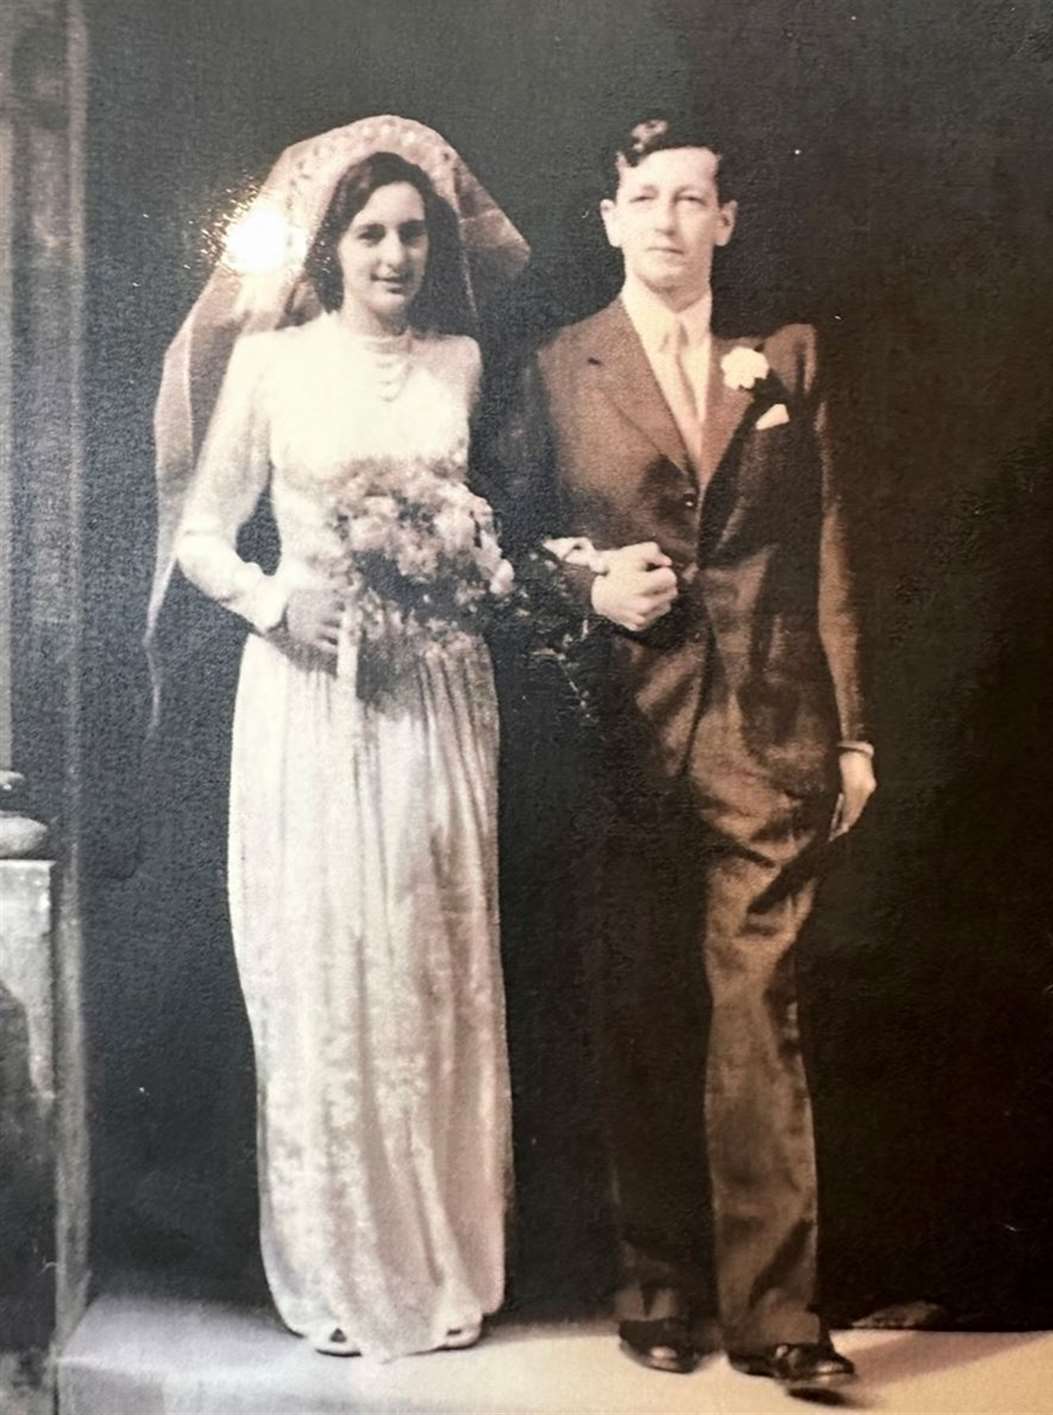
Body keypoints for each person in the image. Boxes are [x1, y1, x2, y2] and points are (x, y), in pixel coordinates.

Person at [487, 112, 876, 1388]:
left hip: (770, 734)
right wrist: (592, 584)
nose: (668, 218)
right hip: (621, 737)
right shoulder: (557, 366)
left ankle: (778, 1313)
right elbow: (506, 544)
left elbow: (824, 550)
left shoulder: (786, 362)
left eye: (692, 196)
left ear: (727, 219)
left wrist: (854, 731)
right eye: (645, 195)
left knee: (760, 1013)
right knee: (644, 1011)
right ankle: (658, 1283)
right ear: (609, 218)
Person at [145, 116, 529, 1360]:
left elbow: (479, 530)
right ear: (332, 244)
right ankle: (336, 1268)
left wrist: (462, 570)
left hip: (435, 696)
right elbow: (202, 534)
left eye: (414, 232)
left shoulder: (461, 362)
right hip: (310, 696)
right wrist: (276, 598)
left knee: (432, 958)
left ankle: (445, 1260)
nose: (395, 253)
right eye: (370, 232)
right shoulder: (274, 365)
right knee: (326, 962)